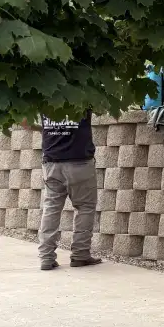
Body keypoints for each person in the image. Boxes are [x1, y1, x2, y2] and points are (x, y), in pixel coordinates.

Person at [38, 110, 101, 271]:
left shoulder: (43, 95)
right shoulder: (84, 92)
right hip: (80, 163)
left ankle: (46, 258)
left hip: (52, 163)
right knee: (85, 207)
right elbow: (102, 108)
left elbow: (24, 122)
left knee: (51, 209)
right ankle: (80, 255)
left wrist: (45, 129)